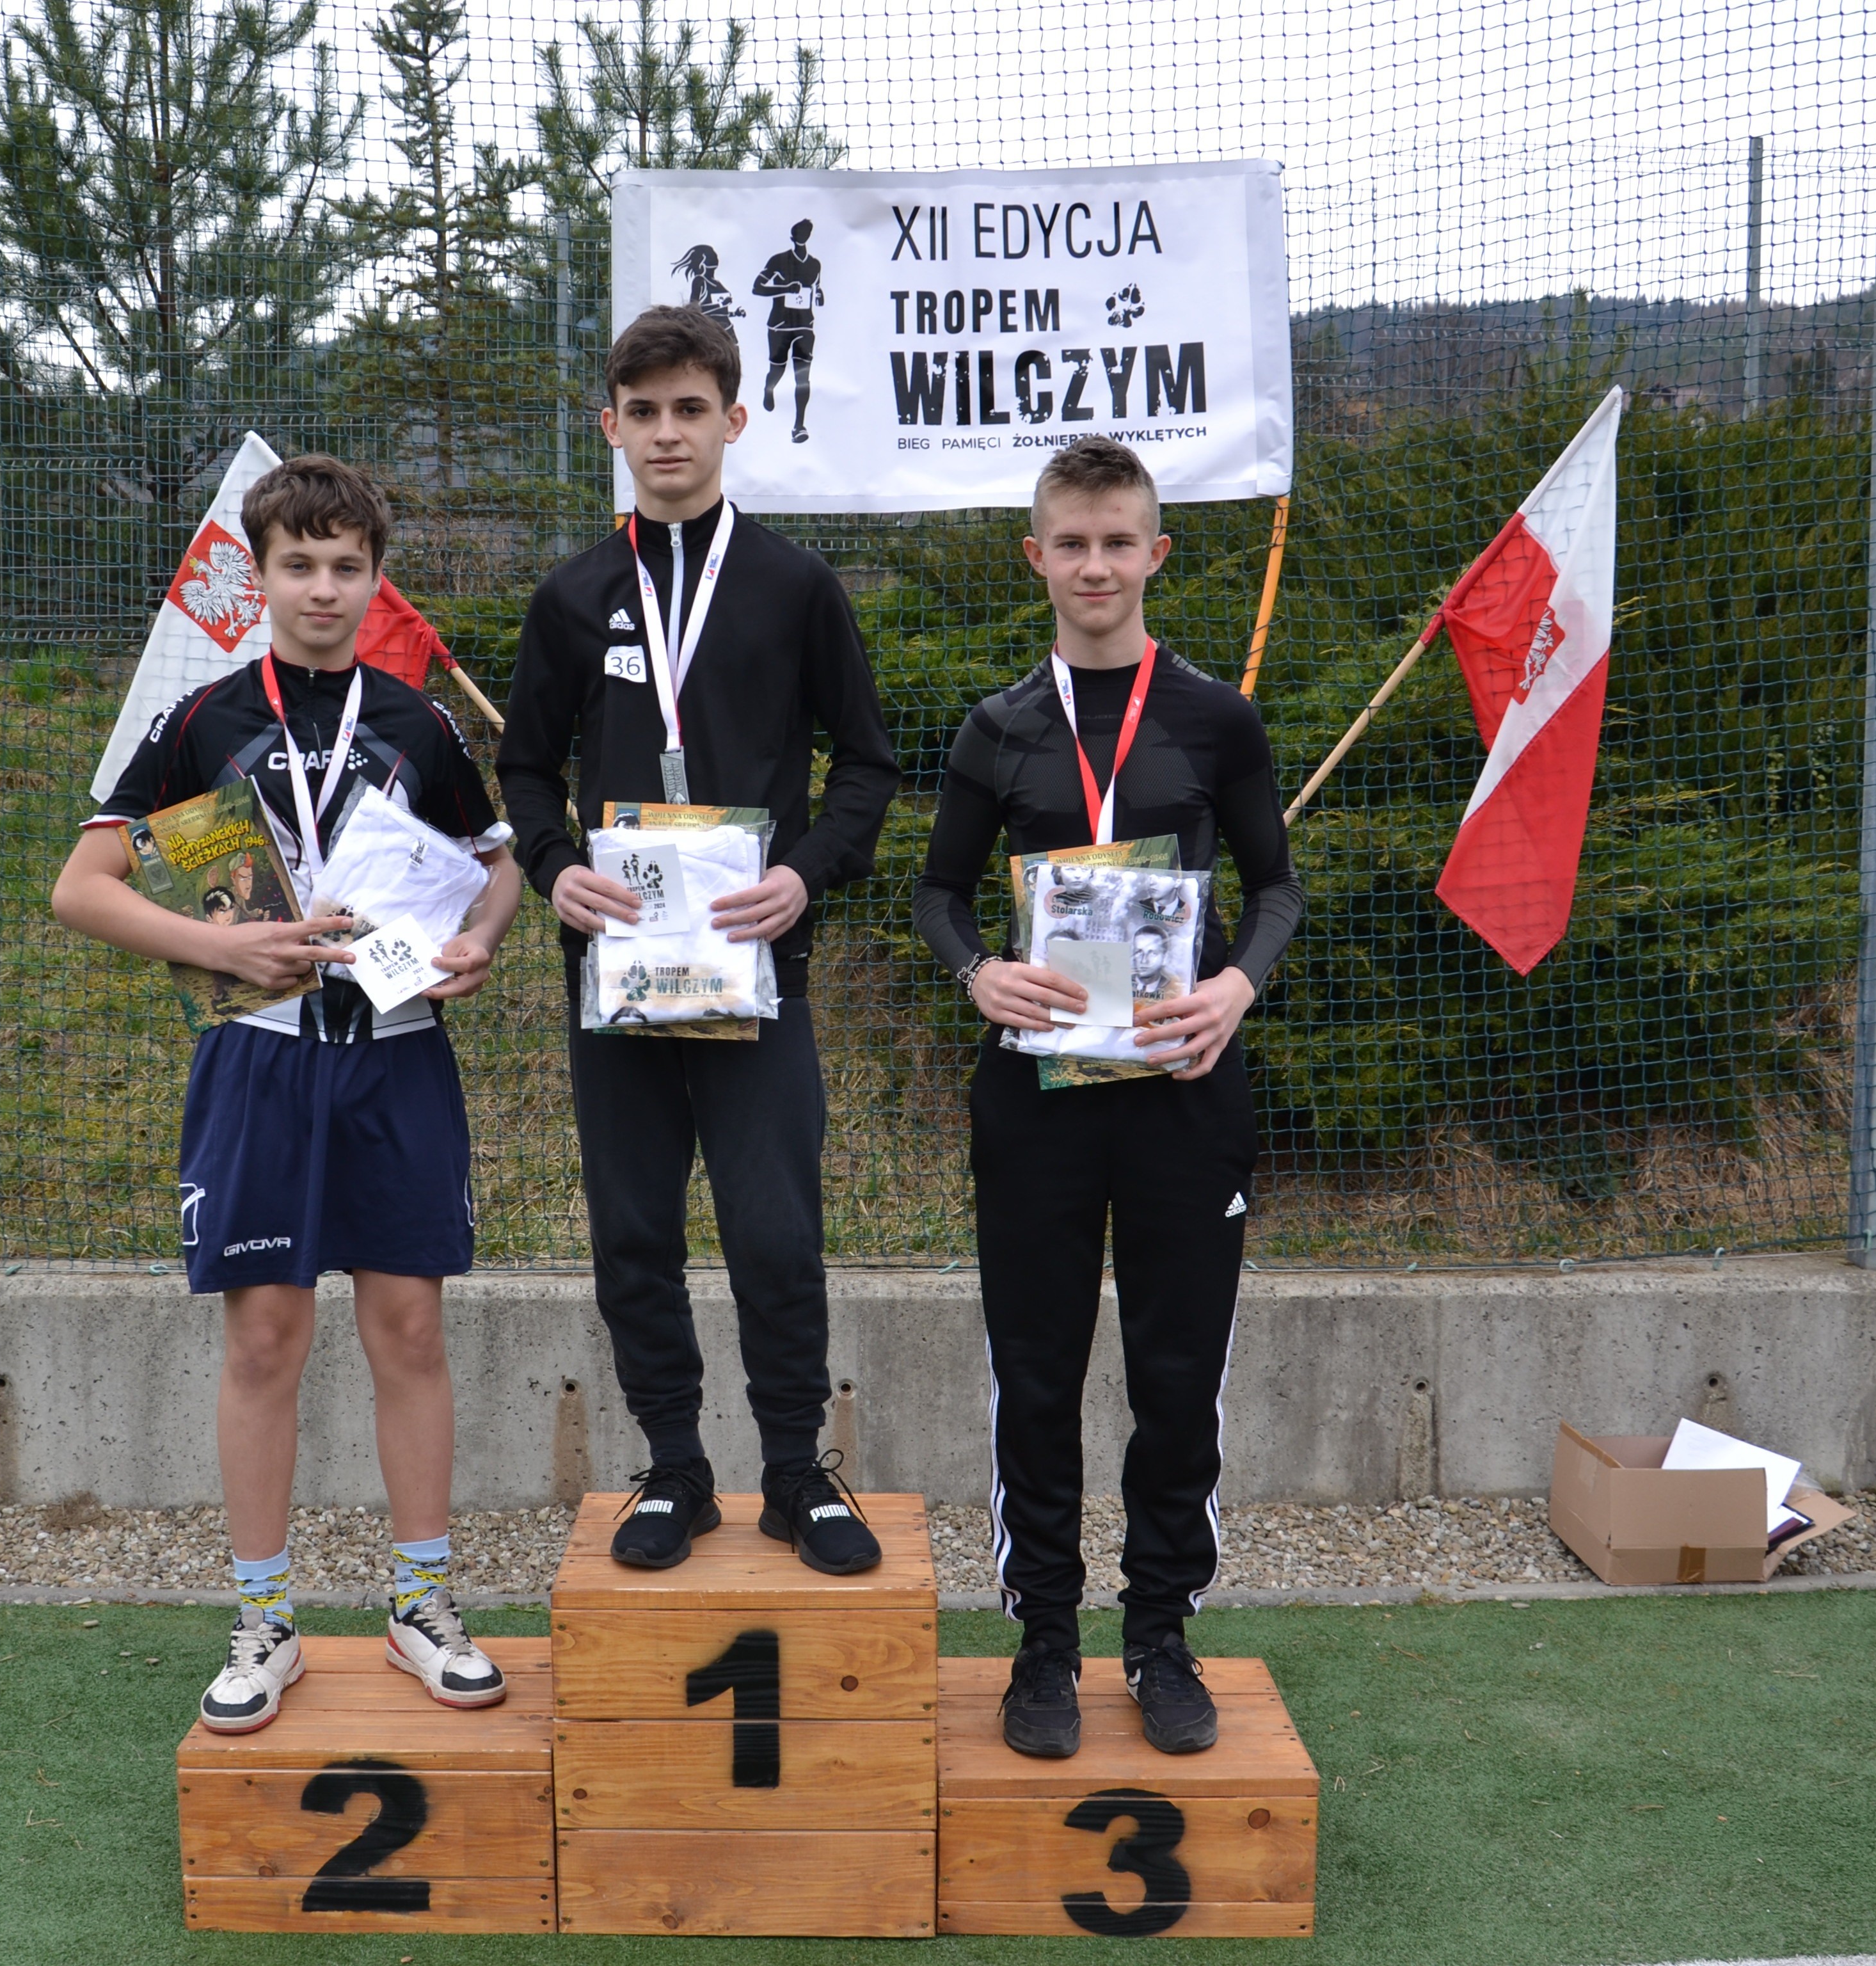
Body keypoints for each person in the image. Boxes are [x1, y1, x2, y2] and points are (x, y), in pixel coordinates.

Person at [52, 454, 525, 1731]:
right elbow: (82, 889)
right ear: (256, 576)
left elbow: (496, 869)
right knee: (265, 1338)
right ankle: (265, 1620)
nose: (323, 588)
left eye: (346, 567)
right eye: (299, 565)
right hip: (258, 1057)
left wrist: (479, 940)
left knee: (408, 1330)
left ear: (375, 581)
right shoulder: (202, 720)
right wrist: (226, 946)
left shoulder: (419, 724)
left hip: (397, 1052)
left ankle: (421, 1602)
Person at [911, 436, 1304, 1759]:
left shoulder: (1215, 720)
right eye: (1071, 544)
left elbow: (1276, 887)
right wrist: (978, 972)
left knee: (1176, 1374)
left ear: (1155, 554)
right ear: (1037, 557)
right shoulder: (999, 727)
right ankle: (1041, 1642)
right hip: (1037, 1100)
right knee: (1035, 1375)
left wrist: (1236, 987)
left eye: (1117, 542)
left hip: (1185, 1090)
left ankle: (1160, 1635)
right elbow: (935, 894)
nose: (1095, 566)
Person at [497, 304, 900, 1574]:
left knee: (774, 1230)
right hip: (617, 975)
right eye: (643, 411)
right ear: (608, 427)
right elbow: (522, 769)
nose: (666, 433)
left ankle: (794, 1473)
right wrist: (554, 869)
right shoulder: (573, 597)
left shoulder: (793, 586)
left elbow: (868, 767)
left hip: (754, 967)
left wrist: (802, 876)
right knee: (635, 1235)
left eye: (690, 410)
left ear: (734, 420)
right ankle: (674, 1468)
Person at [749, 220, 823, 443]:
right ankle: (769, 387)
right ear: (793, 236)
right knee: (778, 369)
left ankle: (799, 426)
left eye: (807, 232)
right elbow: (757, 287)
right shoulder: (779, 260)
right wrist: (785, 289)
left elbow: (817, 289)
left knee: (803, 377)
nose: (803, 235)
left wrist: (819, 296)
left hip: (805, 325)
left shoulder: (815, 264)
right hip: (780, 325)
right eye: (800, 232)